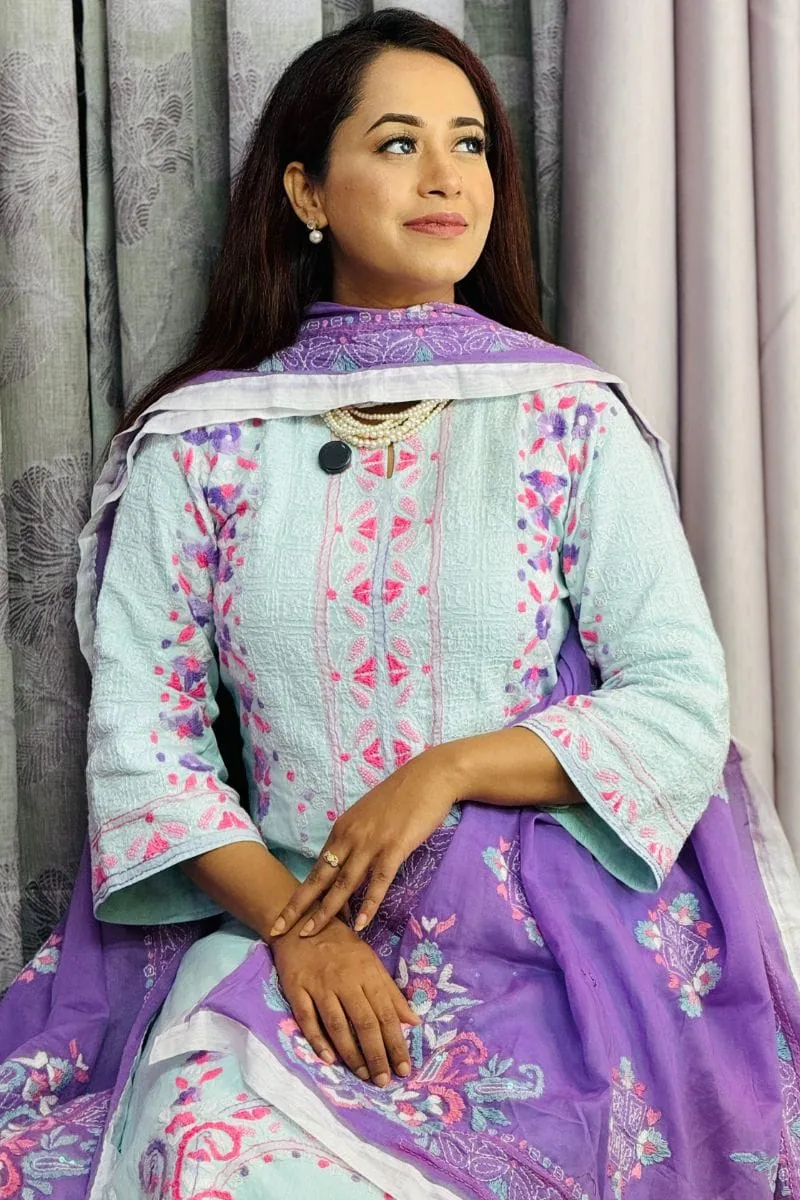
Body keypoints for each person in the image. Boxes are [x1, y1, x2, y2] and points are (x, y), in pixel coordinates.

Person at [2, 9, 800, 1199]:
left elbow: (676, 700)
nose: (444, 177)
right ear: (305, 192)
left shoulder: (567, 419)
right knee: (212, 1159)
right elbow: (145, 744)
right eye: (395, 143)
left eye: (468, 144)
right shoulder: (203, 441)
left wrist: (442, 772)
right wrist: (299, 932)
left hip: (546, 953)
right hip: (282, 928)